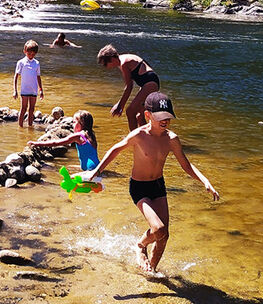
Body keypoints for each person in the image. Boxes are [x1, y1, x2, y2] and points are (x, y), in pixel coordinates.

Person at [81, 92, 218, 278]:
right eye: (160, 117)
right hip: (139, 188)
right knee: (159, 229)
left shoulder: (171, 139)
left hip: (158, 186)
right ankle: (140, 245)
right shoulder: (139, 135)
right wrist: (95, 172)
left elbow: (186, 165)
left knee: (164, 235)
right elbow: (115, 149)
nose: (165, 121)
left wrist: (205, 181)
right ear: (148, 115)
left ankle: (151, 271)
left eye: (168, 117)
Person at [97, 44, 161, 131]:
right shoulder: (123, 59)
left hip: (150, 83)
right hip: (150, 82)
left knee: (130, 112)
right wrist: (120, 104)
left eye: (105, 64)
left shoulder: (124, 63)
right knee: (139, 116)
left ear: (111, 59)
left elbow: (129, 86)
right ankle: (150, 139)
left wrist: (120, 106)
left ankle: (134, 139)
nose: (105, 67)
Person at [28, 110, 99, 171]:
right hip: (97, 166)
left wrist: (37, 143)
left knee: (70, 182)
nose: (72, 125)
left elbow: (56, 143)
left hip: (89, 168)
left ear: (82, 123)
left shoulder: (78, 136)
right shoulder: (91, 135)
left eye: (74, 122)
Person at [13, 39, 44, 127]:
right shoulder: (21, 62)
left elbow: (38, 76)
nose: (31, 56)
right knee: (23, 108)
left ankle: (30, 126)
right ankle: (20, 127)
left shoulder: (37, 63)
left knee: (32, 109)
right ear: (24, 51)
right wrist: (15, 90)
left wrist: (41, 89)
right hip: (24, 90)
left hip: (33, 89)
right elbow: (16, 76)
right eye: (29, 53)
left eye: (33, 54)